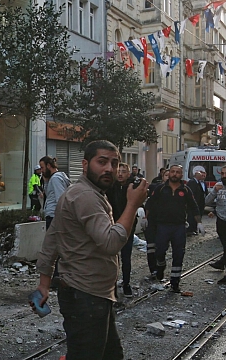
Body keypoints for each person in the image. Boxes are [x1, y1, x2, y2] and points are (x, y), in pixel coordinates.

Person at [33, 140, 148, 359]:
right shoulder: (85, 196)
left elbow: (52, 239)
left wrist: (44, 285)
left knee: (110, 355)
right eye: (102, 162)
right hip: (86, 296)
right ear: (85, 164)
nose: (109, 169)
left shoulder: (84, 193)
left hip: (91, 294)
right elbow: (110, 243)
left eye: (114, 163)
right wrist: (133, 205)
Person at [147, 164, 200, 293]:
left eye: (177, 172)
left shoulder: (186, 190)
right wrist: (145, 218)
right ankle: (160, 265)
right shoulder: (160, 188)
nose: (174, 174)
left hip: (179, 227)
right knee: (159, 251)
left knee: (178, 254)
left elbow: (194, 206)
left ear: (181, 175)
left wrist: (199, 222)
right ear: (168, 173)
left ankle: (175, 282)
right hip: (162, 226)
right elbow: (150, 203)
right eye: (172, 172)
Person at [106, 162, 138, 298]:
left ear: (128, 174)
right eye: (118, 171)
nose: (120, 174)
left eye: (123, 171)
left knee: (126, 257)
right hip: (112, 224)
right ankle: (111, 285)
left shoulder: (131, 187)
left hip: (128, 226)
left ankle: (126, 283)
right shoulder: (110, 187)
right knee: (112, 257)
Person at [144, 169, 169, 279]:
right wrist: (145, 217)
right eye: (166, 175)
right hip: (152, 220)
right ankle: (153, 269)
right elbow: (149, 202)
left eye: (170, 175)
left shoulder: (178, 189)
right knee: (150, 246)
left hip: (165, 223)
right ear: (162, 177)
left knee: (161, 248)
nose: (168, 177)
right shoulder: (156, 187)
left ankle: (160, 267)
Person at [206, 165, 226, 280]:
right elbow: (207, 201)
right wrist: (214, 191)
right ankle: (221, 264)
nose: (224, 176)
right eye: (222, 173)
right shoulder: (218, 186)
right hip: (222, 221)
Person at [39, 156, 70, 229]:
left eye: (42, 167)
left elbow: (60, 199)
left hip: (54, 216)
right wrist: (46, 182)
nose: (41, 170)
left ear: (48, 166)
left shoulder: (55, 178)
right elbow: (49, 194)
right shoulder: (53, 178)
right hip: (53, 215)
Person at [186, 167, 208, 235]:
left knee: (198, 216)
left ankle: (195, 228)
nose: (202, 176)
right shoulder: (192, 182)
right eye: (200, 175)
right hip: (194, 202)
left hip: (200, 203)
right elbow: (192, 193)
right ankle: (190, 229)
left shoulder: (201, 182)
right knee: (192, 216)